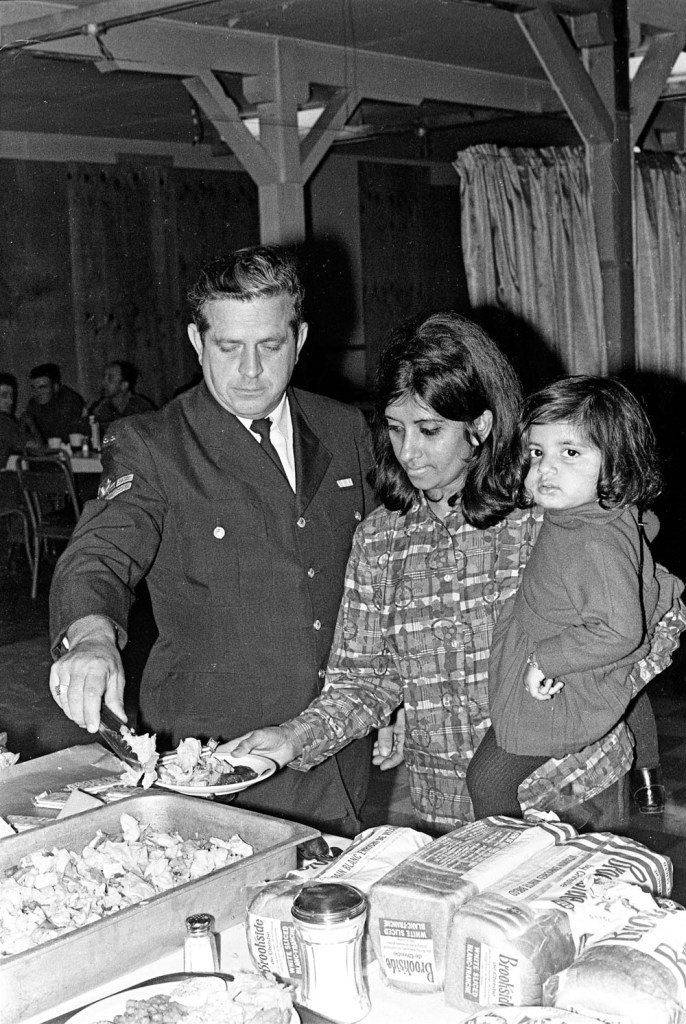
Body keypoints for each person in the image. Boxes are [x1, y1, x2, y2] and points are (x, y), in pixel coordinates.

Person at [222, 313, 686, 834]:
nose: (408, 452)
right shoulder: (381, 541)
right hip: (451, 809)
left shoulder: (548, 512)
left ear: (480, 426)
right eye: (395, 429)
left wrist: (593, 700)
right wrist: (292, 739)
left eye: (429, 430)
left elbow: (660, 617)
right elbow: (364, 681)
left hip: (576, 792)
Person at [48, 245, 377, 834]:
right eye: (228, 347)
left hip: (335, 744)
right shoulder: (154, 443)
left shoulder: (343, 426)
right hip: (217, 756)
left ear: (299, 340)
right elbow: (102, 550)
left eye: (270, 346)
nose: (250, 369)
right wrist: (91, 635)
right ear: (198, 343)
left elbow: (380, 575)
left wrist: (389, 700)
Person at [466, 376, 682, 820]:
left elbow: (620, 632)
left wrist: (546, 661)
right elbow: (644, 523)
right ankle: (646, 777)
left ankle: (500, 864)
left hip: (565, 670)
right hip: (558, 637)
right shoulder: (591, 511)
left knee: (487, 780)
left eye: (571, 453)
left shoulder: (592, 543)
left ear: (616, 464)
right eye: (537, 452)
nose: (546, 469)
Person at [20, 363, 84, 446]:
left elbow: (60, 437)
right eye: (33, 388)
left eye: (42, 387)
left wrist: (32, 425)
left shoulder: (69, 401)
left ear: (56, 387)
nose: (37, 393)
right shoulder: (33, 403)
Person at [87, 360, 156, 434]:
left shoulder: (141, 408)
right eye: (104, 377)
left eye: (110, 378)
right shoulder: (103, 406)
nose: (103, 382)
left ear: (124, 385)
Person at [0, 373, 25, 467]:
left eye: (12, 395)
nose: (11, 401)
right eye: (4, 396)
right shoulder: (4, 421)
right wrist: (30, 422)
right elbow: (39, 449)